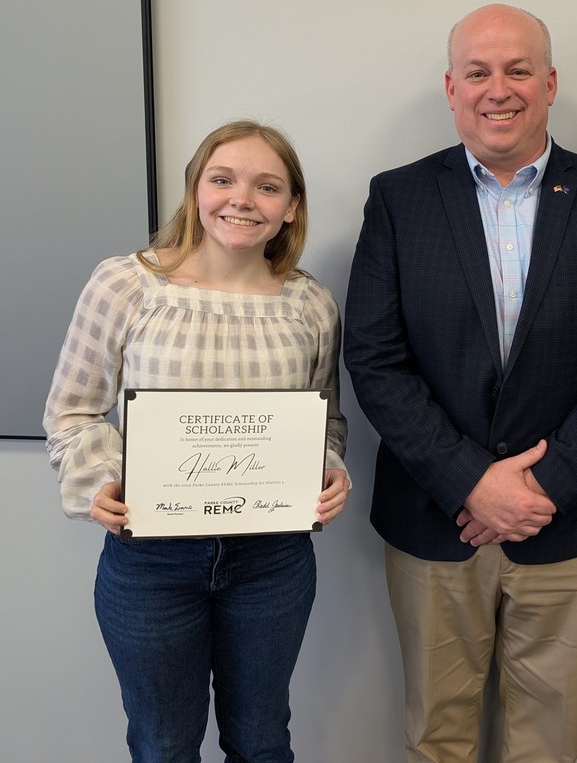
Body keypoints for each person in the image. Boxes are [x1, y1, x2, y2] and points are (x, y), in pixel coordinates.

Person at [344, 3, 577, 762]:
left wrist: (543, 485)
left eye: (519, 70)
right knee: (437, 737)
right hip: (435, 524)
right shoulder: (398, 199)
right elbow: (375, 357)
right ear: (451, 88)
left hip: (566, 522)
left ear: (550, 82)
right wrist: (470, 482)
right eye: (479, 72)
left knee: (549, 742)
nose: (500, 89)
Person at [43, 120, 350, 762]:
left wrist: (327, 468)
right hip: (151, 562)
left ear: (291, 206)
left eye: (268, 186)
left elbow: (325, 421)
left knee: (262, 742)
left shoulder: (311, 305)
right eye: (223, 179)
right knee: (163, 745)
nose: (242, 199)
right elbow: (74, 413)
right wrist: (98, 481)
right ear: (195, 190)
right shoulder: (124, 285)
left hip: (273, 561)